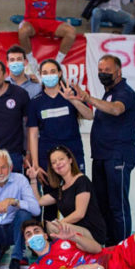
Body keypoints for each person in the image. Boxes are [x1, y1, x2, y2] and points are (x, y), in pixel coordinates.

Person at [71, 54, 135, 246]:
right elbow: (92, 115)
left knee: (117, 204)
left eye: (107, 70)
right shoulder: (108, 93)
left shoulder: (124, 92)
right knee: (103, 203)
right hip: (101, 156)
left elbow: (116, 109)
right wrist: (76, 100)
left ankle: (123, 247)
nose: (103, 74)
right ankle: (109, 244)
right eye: (100, 70)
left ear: (118, 71)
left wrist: (88, 98)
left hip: (117, 156)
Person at [27, 59, 92, 222]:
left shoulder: (71, 93)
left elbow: (90, 115)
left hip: (73, 155)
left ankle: (79, 234)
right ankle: (50, 235)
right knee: (51, 202)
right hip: (47, 158)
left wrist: (72, 99)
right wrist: (36, 163)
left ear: (60, 73)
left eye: (52, 72)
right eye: (45, 73)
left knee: (77, 199)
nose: (49, 76)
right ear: (40, 75)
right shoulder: (35, 102)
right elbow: (33, 134)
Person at [26, 146, 106, 245]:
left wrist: (59, 223)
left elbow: (79, 214)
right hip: (74, 231)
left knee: (53, 227)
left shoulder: (81, 180)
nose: (58, 163)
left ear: (70, 160)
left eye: (61, 159)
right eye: (54, 162)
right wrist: (33, 179)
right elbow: (39, 201)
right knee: (50, 226)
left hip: (92, 233)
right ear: (52, 168)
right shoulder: (61, 188)